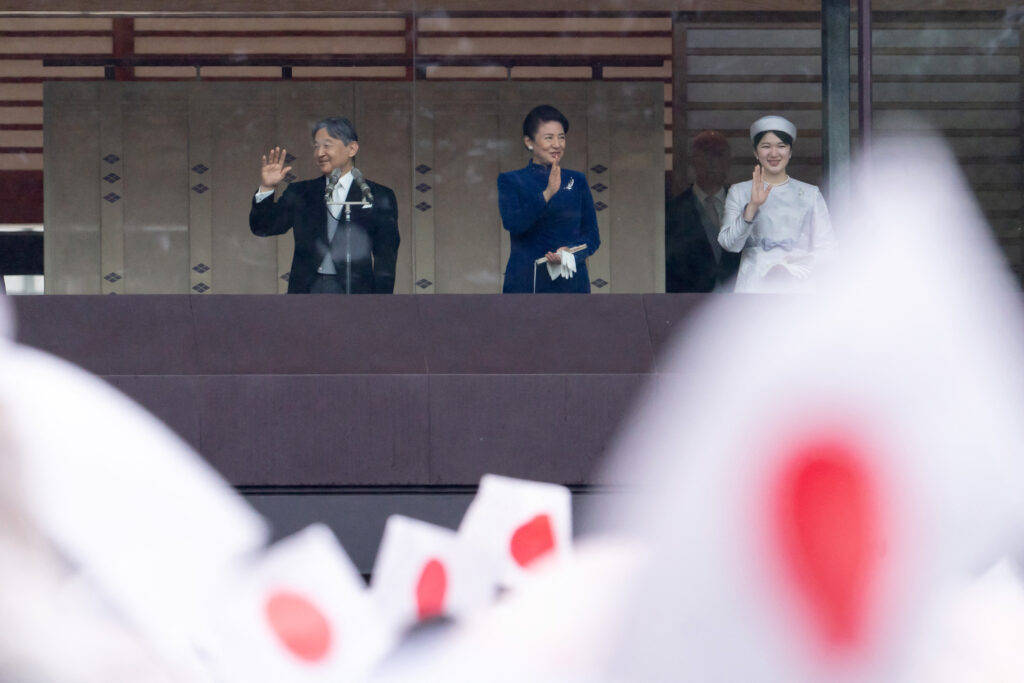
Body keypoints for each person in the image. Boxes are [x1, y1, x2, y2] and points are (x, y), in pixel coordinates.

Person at [250, 117, 400, 294]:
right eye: (316, 146)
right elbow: (263, 227)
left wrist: (380, 303)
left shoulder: (378, 195)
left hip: (356, 294)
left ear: (352, 148)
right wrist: (267, 187)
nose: (320, 153)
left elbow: (386, 256)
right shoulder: (301, 192)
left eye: (327, 145)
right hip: (306, 292)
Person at [718, 115, 836, 293]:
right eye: (766, 147)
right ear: (756, 153)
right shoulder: (739, 191)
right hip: (753, 287)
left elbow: (828, 249)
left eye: (781, 146)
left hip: (800, 287)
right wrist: (752, 207)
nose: (774, 153)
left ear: (790, 152)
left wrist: (793, 269)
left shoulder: (811, 194)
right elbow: (729, 244)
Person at [497, 105, 601, 293]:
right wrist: (547, 193)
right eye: (549, 138)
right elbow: (513, 223)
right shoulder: (511, 180)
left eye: (561, 137)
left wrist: (571, 252)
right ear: (529, 142)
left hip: (571, 283)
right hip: (526, 282)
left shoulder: (576, 180)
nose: (557, 144)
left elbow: (592, 236)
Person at [665, 130, 740, 292]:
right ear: (693, 161)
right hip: (690, 305)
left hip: (739, 306)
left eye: (719, 155)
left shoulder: (744, 208)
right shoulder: (673, 212)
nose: (713, 163)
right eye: (706, 155)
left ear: (728, 161)